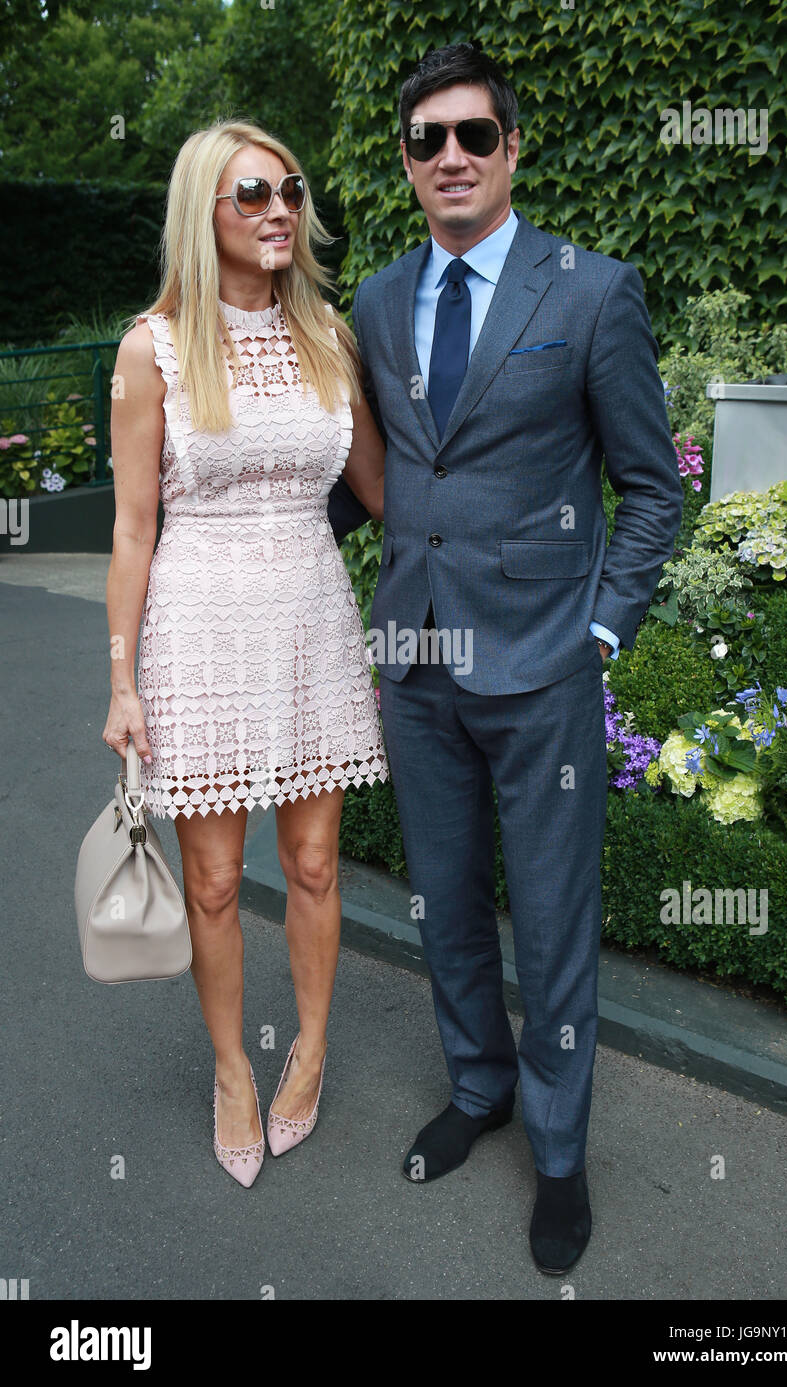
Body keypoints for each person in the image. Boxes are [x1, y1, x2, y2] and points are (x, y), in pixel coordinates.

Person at [349, 42, 684, 1272]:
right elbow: (372, 470)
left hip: (543, 663)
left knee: (548, 923)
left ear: (511, 147)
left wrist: (599, 631)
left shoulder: (591, 292)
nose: (451, 157)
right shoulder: (379, 301)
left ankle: (556, 1151)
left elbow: (649, 489)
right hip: (417, 655)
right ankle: (479, 1086)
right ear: (406, 159)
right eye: (428, 139)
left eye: (472, 136)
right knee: (441, 903)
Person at [102, 119, 389, 1188]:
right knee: (214, 884)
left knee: (313, 863)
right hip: (198, 628)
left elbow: (382, 494)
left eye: (289, 190)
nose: (278, 209)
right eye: (251, 194)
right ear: (204, 215)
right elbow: (134, 528)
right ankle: (232, 1068)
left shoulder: (329, 336)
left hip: (312, 617)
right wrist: (123, 679)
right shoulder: (154, 348)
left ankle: (309, 1047)